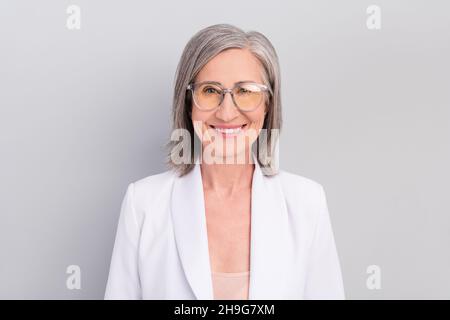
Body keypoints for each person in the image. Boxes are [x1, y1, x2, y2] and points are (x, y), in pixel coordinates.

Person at [104, 23, 345, 300]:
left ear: (268, 103)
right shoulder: (144, 204)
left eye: (246, 91)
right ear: (188, 102)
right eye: (210, 91)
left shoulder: (306, 203)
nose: (227, 113)